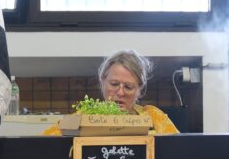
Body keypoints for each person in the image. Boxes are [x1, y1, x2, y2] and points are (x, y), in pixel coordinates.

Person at [43, 50, 179, 135]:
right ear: (102, 81)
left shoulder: (154, 118)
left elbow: (180, 149)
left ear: (139, 89)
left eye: (128, 87)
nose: (120, 92)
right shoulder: (82, 119)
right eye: (114, 84)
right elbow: (41, 146)